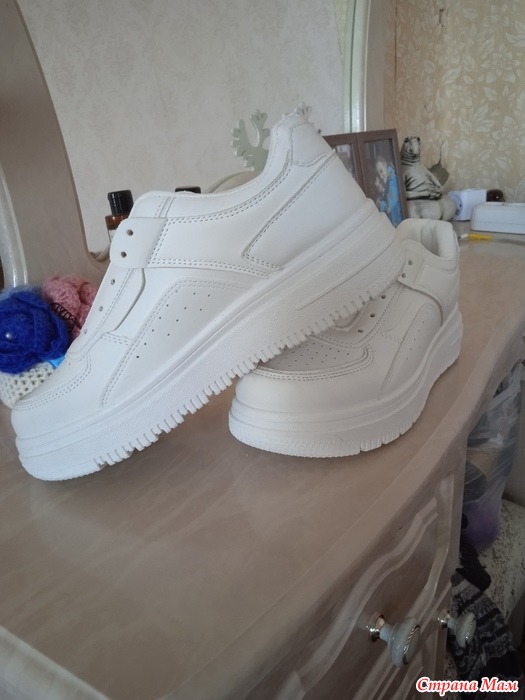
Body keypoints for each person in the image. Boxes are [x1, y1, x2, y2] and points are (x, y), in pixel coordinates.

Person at [374, 154, 403, 226]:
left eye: (381, 171)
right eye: (378, 173)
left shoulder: (392, 180)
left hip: (397, 220)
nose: (381, 176)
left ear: (385, 165)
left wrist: (379, 204)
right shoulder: (390, 178)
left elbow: (389, 206)